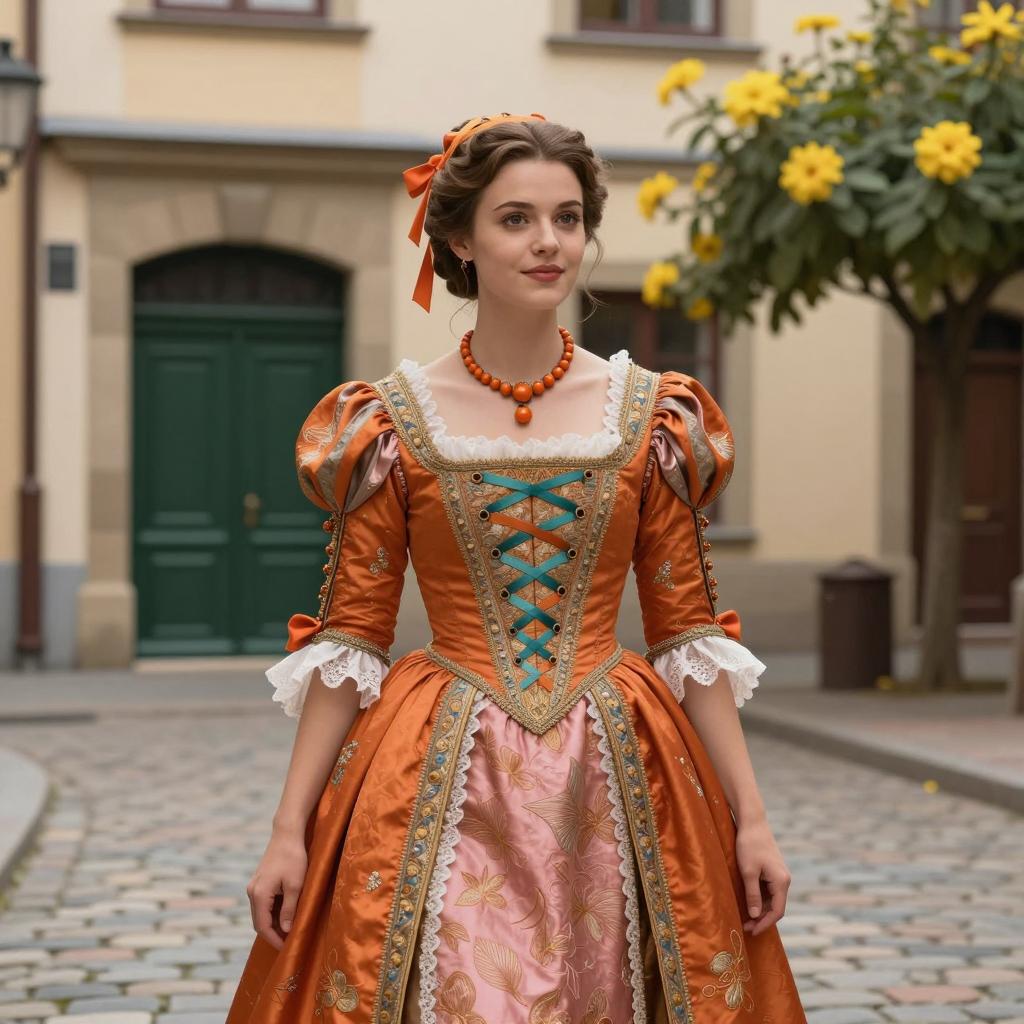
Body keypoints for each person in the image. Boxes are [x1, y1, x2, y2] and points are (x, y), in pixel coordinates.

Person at [226, 113, 807, 1024]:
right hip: (438, 768)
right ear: (459, 240)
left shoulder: (652, 415)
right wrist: (287, 832)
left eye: (567, 218)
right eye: (516, 219)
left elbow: (688, 632)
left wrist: (754, 820)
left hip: (616, 770)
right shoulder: (390, 423)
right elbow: (350, 639)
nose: (549, 242)